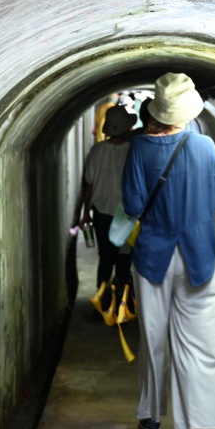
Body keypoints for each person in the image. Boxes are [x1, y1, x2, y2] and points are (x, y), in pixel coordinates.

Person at [121, 73, 215, 429]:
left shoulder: (138, 149)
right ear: (187, 112)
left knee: (153, 338)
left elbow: (134, 206)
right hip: (199, 256)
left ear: (154, 112)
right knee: (200, 344)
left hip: (153, 256)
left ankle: (151, 416)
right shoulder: (205, 147)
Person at [78, 104, 137, 311]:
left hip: (101, 215)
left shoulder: (97, 151)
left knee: (105, 259)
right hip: (126, 217)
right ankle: (121, 303)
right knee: (123, 259)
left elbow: (88, 184)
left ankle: (101, 302)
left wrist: (86, 213)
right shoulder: (132, 152)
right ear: (127, 129)